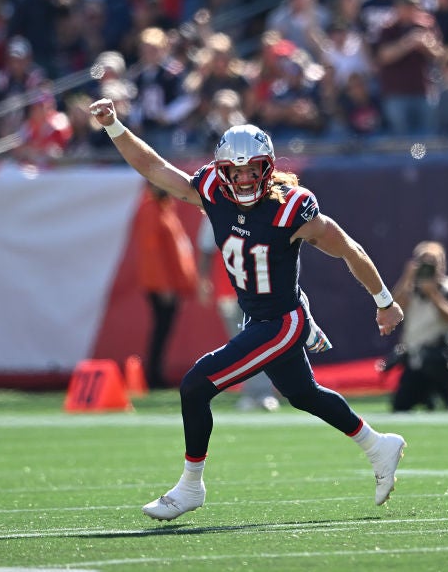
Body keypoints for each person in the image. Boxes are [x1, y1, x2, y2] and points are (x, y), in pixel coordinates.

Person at [88, 98, 407, 521]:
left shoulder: (290, 208)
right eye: (234, 171)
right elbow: (153, 168)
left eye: (251, 170)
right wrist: (114, 126)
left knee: (195, 385)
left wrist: (384, 300)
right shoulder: (212, 194)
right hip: (258, 317)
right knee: (302, 394)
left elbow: (348, 249)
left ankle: (189, 487)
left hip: (283, 321)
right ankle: (378, 445)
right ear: (222, 172)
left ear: (267, 169)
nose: (242, 179)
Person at [196, 215, 285, 411]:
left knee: (259, 341)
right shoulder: (216, 206)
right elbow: (206, 247)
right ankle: (253, 393)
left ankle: (262, 393)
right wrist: (203, 280)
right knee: (240, 345)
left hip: (258, 287)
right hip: (228, 286)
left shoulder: (264, 206)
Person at [381, 241, 448, 412]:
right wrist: (407, 278)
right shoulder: (410, 288)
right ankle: (427, 396)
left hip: (441, 356)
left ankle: (443, 393)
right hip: (415, 356)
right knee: (400, 404)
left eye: (433, 263)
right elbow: (391, 308)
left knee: (435, 364)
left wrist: (433, 294)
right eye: (424, 263)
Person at [134, 184, 198, 389]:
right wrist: (163, 286)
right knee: (161, 330)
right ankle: (153, 375)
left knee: (164, 330)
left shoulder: (164, 208)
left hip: (169, 283)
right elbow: (152, 253)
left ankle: (156, 373)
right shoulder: (151, 210)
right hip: (162, 285)